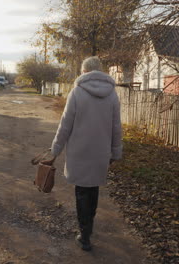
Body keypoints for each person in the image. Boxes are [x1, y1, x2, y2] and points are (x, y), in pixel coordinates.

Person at [49, 56, 122, 251]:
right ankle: (88, 227)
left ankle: (85, 235)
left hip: (80, 152)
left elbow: (65, 125)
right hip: (100, 152)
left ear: (84, 71)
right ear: (100, 71)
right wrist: (115, 152)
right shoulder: (112, 95)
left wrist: (55, 149)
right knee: (93, 189)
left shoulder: (77, 93)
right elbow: (116, 127)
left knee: (82, 191)